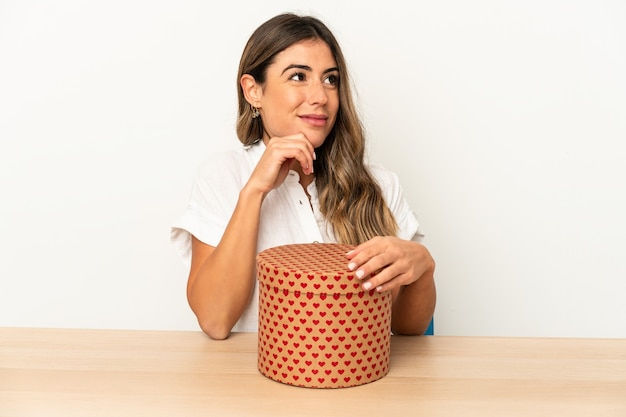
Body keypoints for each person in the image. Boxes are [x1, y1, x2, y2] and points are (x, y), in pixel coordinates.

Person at [171, 13, 436, 340]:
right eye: (298, 76)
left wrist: (423, 268)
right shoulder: (223, 176)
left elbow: (408, 329)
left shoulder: (380, 184)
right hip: (256, 383)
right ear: (253, 91)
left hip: (359, 379)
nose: (321, 97)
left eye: (330, 79)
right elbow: (215, 320)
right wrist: (255, 191)